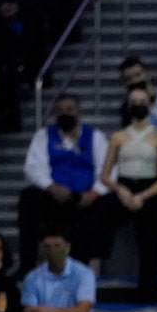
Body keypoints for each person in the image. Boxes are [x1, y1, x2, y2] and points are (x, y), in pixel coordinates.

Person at [75, 85, 157, 302]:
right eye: (134, 102)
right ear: (128, 106)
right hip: (123, 188)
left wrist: (142, 196)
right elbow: (105, 174)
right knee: (87, 229)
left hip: (149, 191)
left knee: (149, 247)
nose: (138, 106)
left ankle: (147, 295)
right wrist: (121, 190)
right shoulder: (118, 137)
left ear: (149, 105)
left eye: (142, 102)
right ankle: (80, 285)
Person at [16, 96, 108, 277]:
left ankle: (81, 266)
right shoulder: (43, 136)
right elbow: (33, 168)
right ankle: (27, 264)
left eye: (70, 109)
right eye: (60, 110)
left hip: (85, 197)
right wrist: (51, 187)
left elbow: (106, 170)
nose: (65, 114)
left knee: (107, 205)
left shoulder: (95, 137)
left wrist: (94, 193)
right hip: (55, 196)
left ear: (79, 113)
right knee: (29, 198)